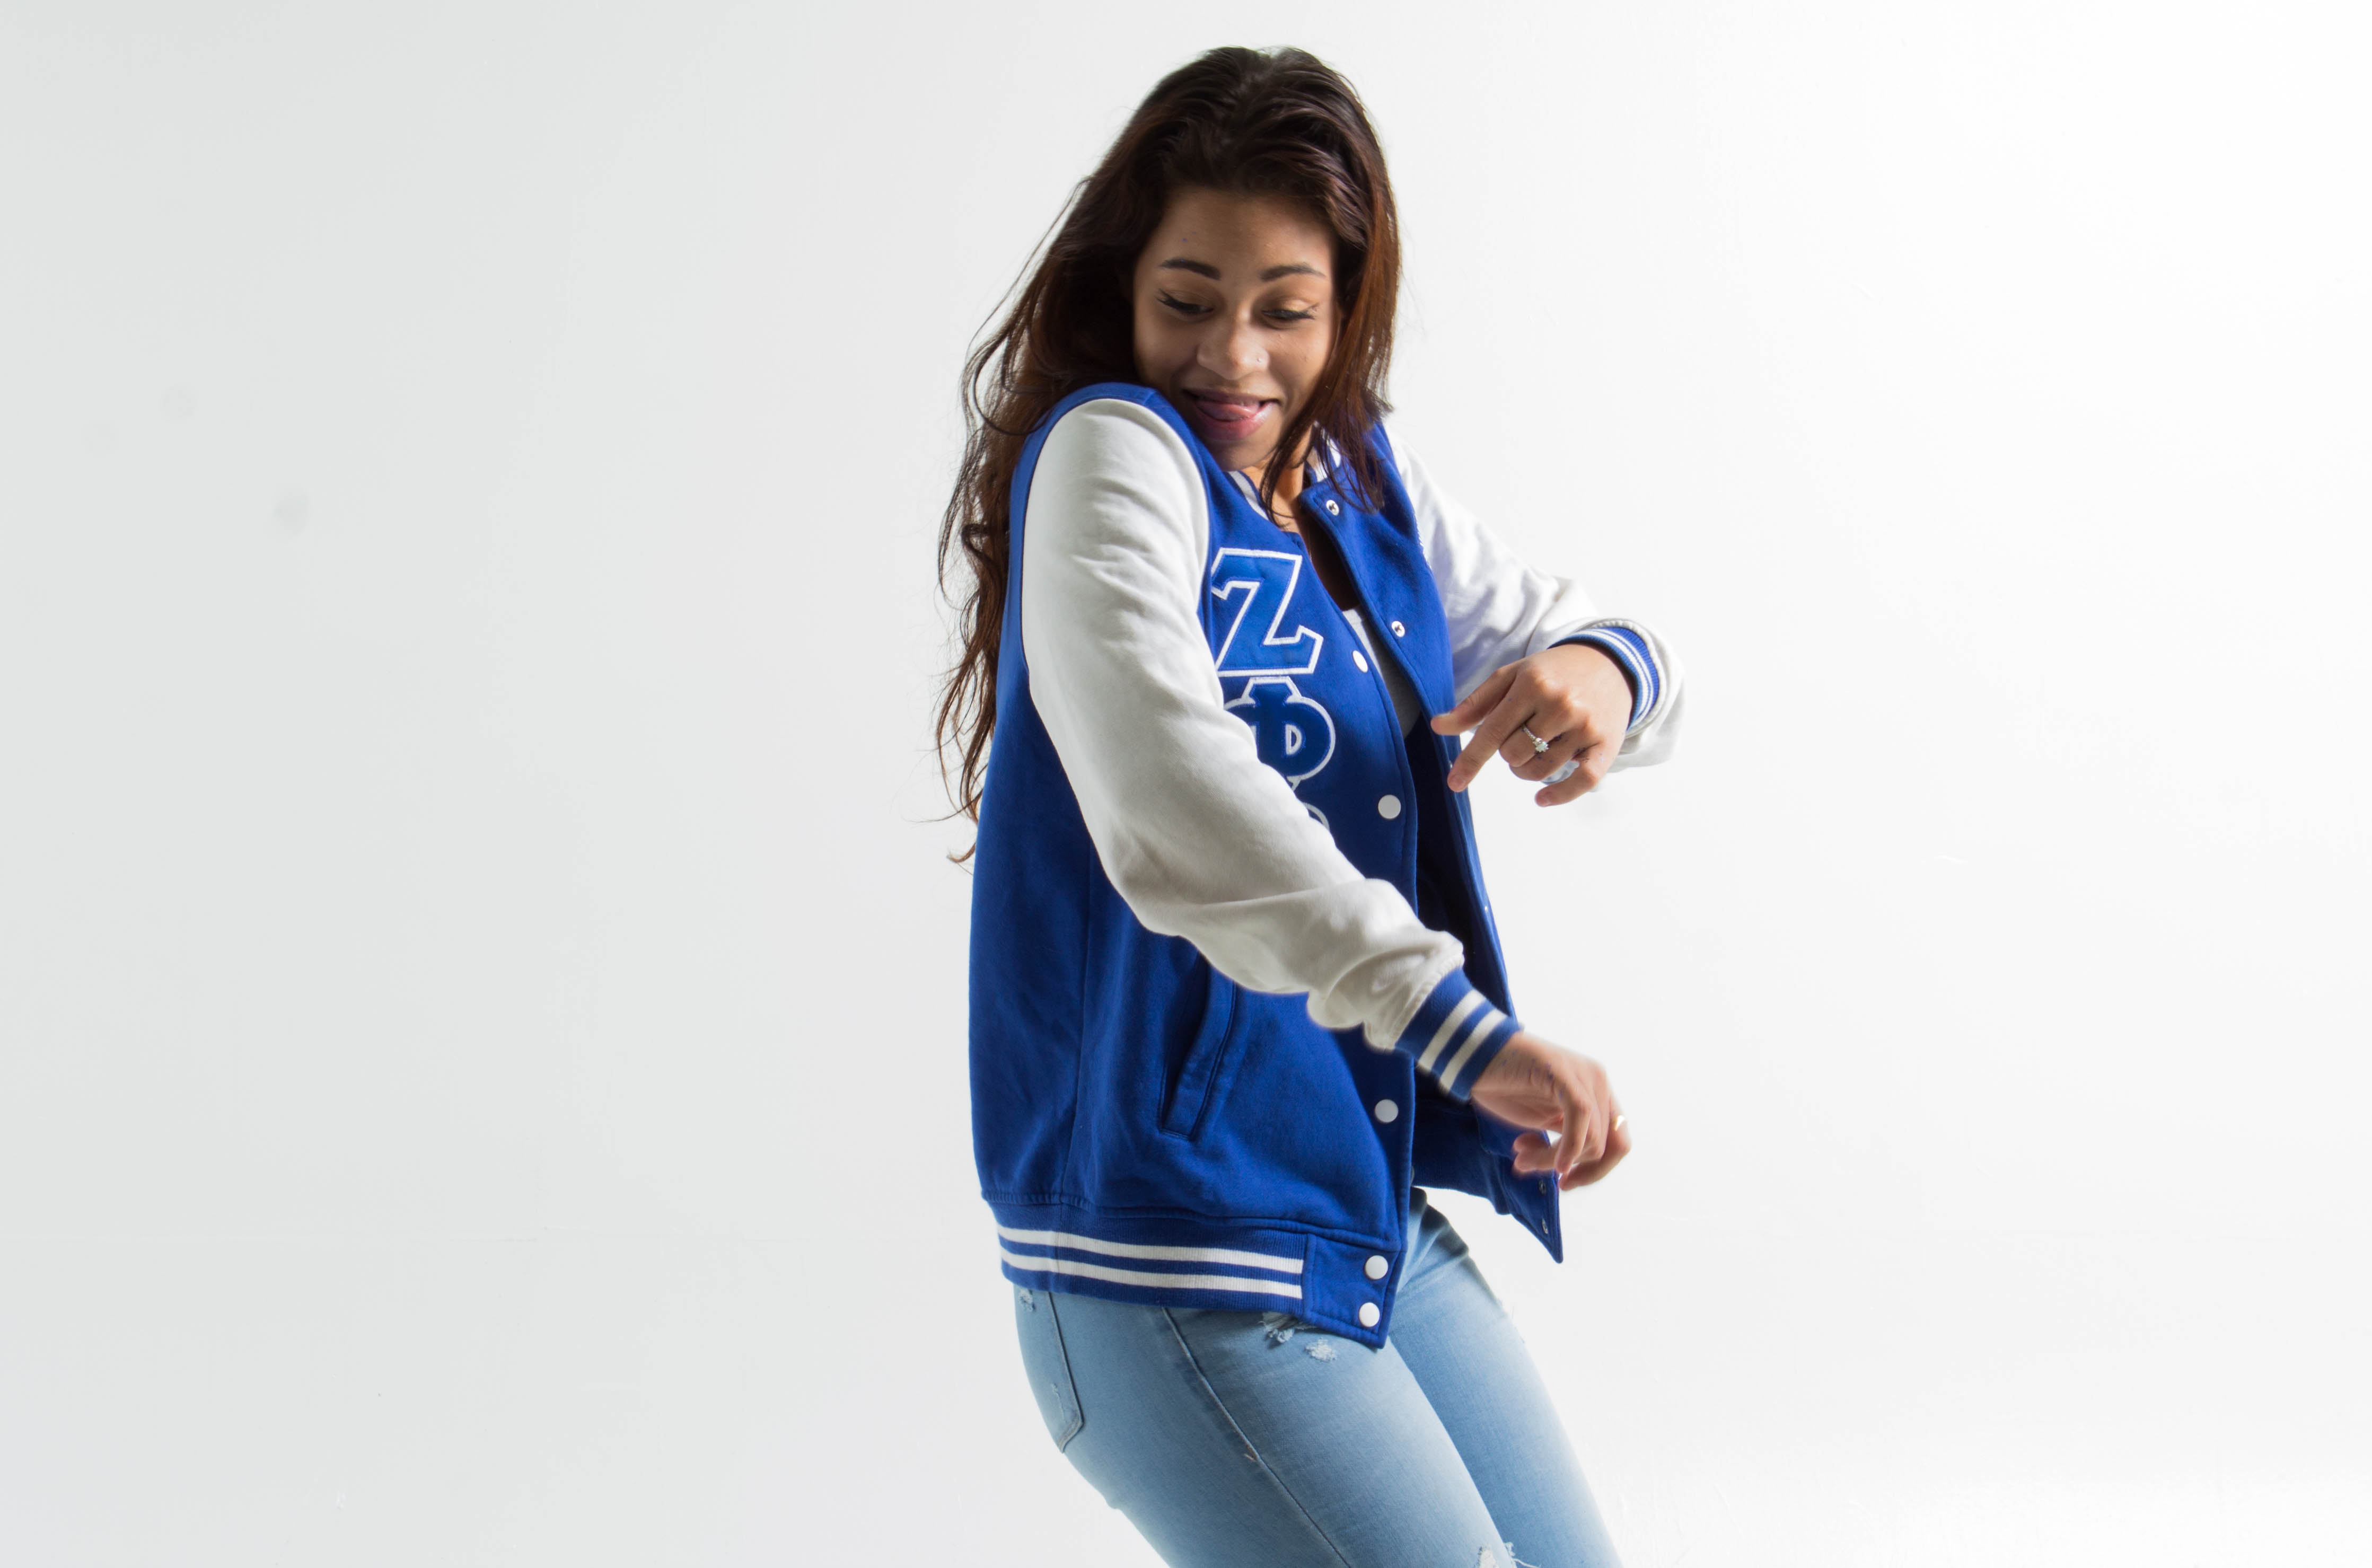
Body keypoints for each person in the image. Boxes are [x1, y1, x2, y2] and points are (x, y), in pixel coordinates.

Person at [935, 46, 1683, 1568]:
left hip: (1352, 1202)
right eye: (1188, 298)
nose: (1233, 358)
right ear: (1124, 288)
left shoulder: (1355, 478)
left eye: (1285, 308)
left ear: (1348, 312)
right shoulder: (1112, 459)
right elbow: (1173, 802)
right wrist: (1459, 1027)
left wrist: (1602, 674)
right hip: (1171, 1249)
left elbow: (1571, 636)